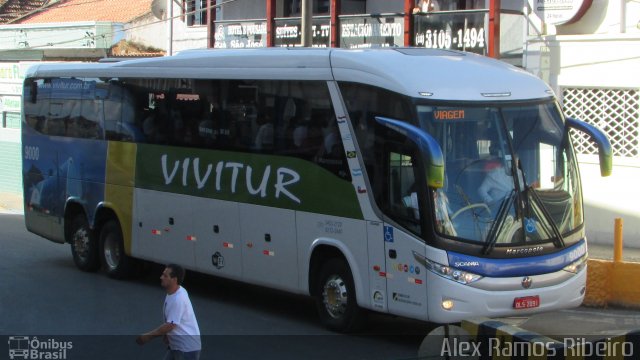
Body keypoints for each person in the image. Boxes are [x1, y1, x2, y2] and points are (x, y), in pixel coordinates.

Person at [136, 264, 201, 360]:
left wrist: (148, 336)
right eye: (163, 274)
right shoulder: (174, 292)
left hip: (186, 349)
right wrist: (168, 335)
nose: (161, 277)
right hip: (178, 347)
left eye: (165, 276)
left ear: (174, 280)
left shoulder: (178, 299)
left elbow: (170, 325)